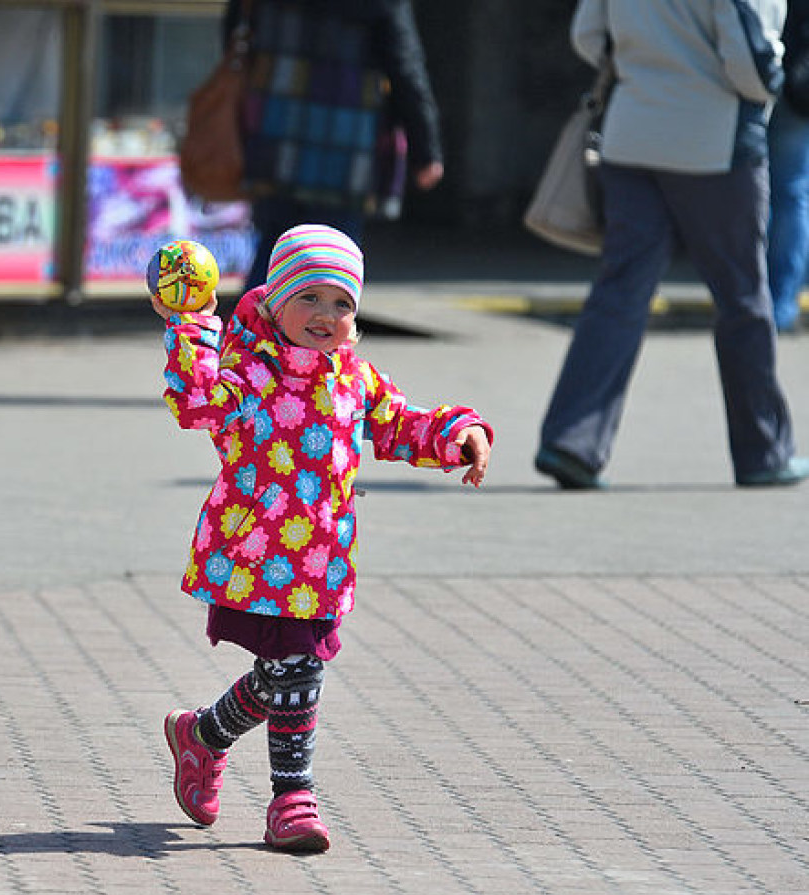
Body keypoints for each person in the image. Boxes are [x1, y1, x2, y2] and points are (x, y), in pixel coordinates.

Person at [154, 224, 492, 852]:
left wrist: (457, 432)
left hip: (319, 562)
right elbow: (195, 404)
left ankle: (207, 738)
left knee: (289, 670)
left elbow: (399, 425)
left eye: (342, 304)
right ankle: (290, 796)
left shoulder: (353, 378)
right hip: (254, 554)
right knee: (294, 669)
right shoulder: (247, 371)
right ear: (276, 300)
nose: (325, 316)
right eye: (308, 298)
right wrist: (193, 327)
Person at [535, 0, 809, 490]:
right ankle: (762, 451)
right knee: (743, 299)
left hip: (631, 135)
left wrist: (645, 70)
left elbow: (588, 34)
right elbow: (750, 62)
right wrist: (770, 84)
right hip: (716, 144)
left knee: (619, 293)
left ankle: (572, 442)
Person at [224, 0, 446, 290]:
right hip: (344, 136)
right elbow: (404, 63)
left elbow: (234, 29)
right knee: (332, 258)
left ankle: (252, 329)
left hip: (275, 121)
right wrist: (425, 147)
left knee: (274, 246)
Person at [767, 0, 809, 332]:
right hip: (798, 80)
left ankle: (755, 301)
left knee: (751, 189)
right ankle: (779, 305)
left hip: (765, 71)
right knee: (791, 195)